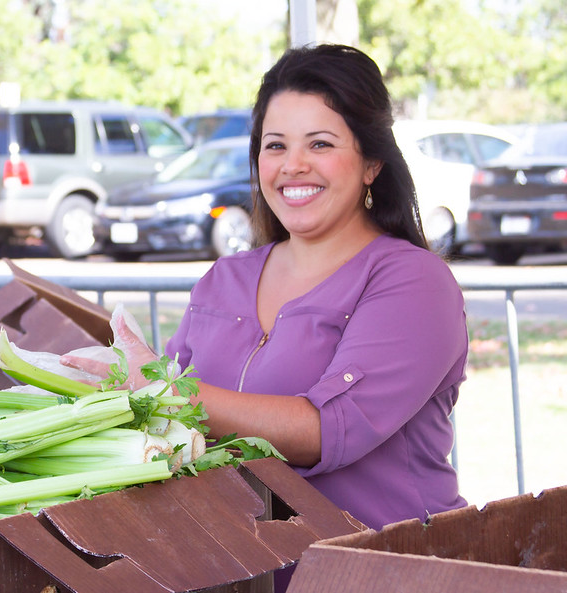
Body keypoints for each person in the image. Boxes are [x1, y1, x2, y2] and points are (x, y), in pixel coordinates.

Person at [63, 43, 468, 537]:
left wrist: (161, 394)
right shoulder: (224, 279)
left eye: (320, 144)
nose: (293, 165)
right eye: (275, 145)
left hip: (384, 569)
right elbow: (173, 427)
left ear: (372, 164)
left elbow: (324, 431)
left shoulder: (414, 283)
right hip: (242, 572)